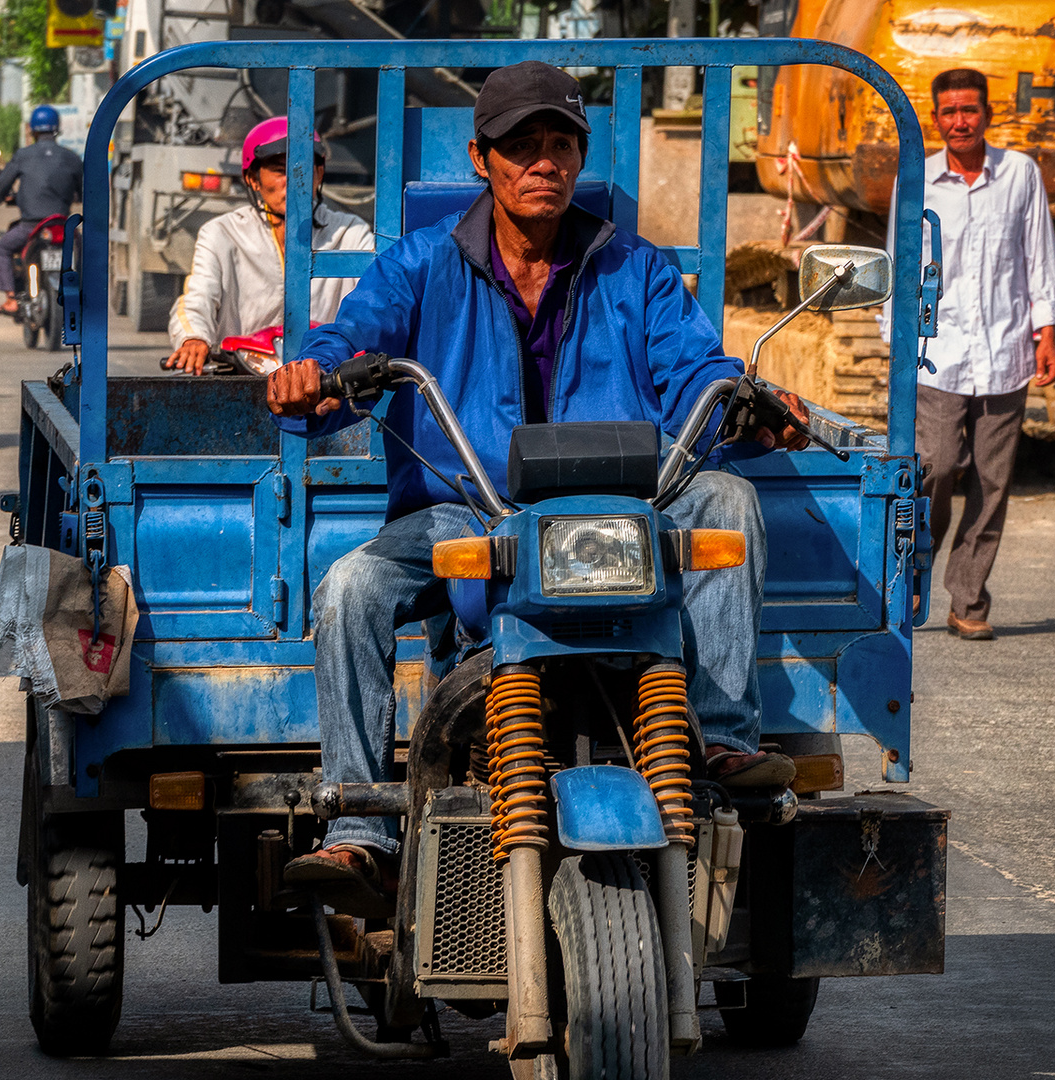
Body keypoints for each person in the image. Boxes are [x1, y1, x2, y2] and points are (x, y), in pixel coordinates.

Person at [262, 62, 808, 904]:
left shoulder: (636, 268)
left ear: (580, 159)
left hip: (627, 509)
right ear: (483, 160)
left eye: (560, 146)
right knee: (348, 587)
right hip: (468, 513)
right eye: (522, 147)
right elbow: (353, 337)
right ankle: (359, 828)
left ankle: (726, 740)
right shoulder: (420, 265)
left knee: (728, 499)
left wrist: (746, 404)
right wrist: (317, 375)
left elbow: (696, 366)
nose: (543, 164)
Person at [881, 68, 1055, 641]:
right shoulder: (919, 178)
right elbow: (898, 256)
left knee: (992, 481)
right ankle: (913, 576)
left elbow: (1039, 253)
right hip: (939, 352)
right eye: (950, 111)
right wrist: (896, 336)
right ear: (936, 119)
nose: (960, 120)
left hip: (1005, 350)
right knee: (931, 470)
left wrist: (1047, 331)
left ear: (987, 113)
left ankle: (969, 600)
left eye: (970, 110)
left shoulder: (1020, 174)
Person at [166, 118, 374, 375]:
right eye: (279, 170)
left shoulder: (351, 232)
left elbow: (370, 301)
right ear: (253, 179)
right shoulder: (221, 233)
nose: (293, 180)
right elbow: (198, 297)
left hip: (323, 377)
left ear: (319, 174)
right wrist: (194, 338)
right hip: (239, 374)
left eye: (303, 167)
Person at [0, 104, 82, 316]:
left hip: (31, 226)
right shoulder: (71, 157)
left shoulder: (23, 155)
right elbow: (84, 190)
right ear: (57, 128)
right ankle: (85, 298)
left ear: (31, 130)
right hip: (63, 226)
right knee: (86, 254)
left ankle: (11, 299)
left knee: (1, 249)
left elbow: (1, 188)